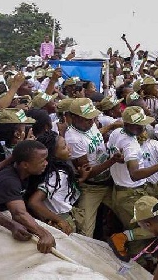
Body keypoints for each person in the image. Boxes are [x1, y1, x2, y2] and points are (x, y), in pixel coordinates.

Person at [107, 106, 158, 261]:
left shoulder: (116, 133)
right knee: (150, 228)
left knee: (142, 228)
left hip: (127, 190)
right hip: (130, 194)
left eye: (143, 124)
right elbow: (134, 174)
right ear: (127, 125)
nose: (142, 128)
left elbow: (114, 152)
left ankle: (138, 256)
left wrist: (121, 159)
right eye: (137, 125)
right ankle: (126, 245)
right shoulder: (131, 145)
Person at [65, 98, 118, 238]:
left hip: (108, 182)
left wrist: (111, 127)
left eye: (93, 118)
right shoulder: (73, 139)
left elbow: (94, 134)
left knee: (129, 215)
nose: (91, 122)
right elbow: (88, 173)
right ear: (74, 118)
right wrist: (112, 160)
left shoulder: (89, 125)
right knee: (85, 233)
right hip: (91, 188)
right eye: (87, 119)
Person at [0, 140, 55, 253]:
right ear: (25, 165)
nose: (46, 163)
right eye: (42, 160)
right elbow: (19, 214)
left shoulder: (24, 172)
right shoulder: (9, 181)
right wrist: (44, 235)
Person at [28, 131, 85, 235]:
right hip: (61, 218)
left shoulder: (49, 171)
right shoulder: (57, 174)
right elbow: (34, 202)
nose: (69, 148)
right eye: (64, 147)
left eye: (66, 144)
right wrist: (60, 221)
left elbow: (58, 190)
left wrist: (82, 178)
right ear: (52, 155)